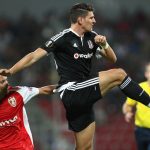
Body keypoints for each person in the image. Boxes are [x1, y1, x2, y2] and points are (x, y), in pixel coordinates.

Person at [0, 3, 150, 150]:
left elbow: (112, 59)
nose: (94, 21)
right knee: (119, 74)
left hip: (83, 94)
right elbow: (33, 56)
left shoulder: (93, 37)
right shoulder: (62, 38)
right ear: (80, 20)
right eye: (91, 18)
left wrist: (104, 44)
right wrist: (11, 71)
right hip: (72, 91)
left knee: (85, 147)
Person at [0, 75, 55, 149]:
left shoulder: (18, 93)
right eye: (2, 82)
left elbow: (44, 90)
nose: (7, 83)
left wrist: (66, 86)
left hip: (22, 146)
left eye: (6, 80)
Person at [122, 62, 150, 150]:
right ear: (146, 74)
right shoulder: (139, 88)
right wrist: (127, 113)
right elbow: (127, 105)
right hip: (141, 130)